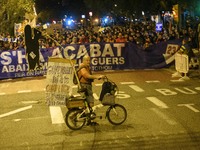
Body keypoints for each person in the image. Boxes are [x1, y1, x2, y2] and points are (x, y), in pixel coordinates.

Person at [77, 55, 105, 125]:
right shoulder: (83, 67)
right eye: (87, 60)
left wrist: (98, 76)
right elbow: (87, 76)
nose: (88, 62)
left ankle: (88, 120)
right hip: (85, 86)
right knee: (91, 103)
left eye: (89, 60)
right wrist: (97, 76)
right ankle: (87, 119)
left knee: (87, 105)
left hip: (86, 86)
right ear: (83, 60)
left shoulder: (85, 66)